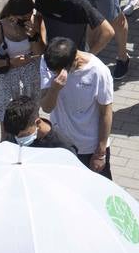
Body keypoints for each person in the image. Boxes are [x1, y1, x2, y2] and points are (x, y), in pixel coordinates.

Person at [39, 37, 114, 178]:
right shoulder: (47, 61)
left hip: (89, 148)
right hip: (60, 145)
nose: (54, 74)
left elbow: (106, 113)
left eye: (57, 71)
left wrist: (101, 153)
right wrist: (54, 89)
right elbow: (47, 108)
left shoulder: (99, 72)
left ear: (75, 61)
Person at [0, 0, 46, 131]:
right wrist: (9, 62)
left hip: (31, 78)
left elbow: (40, 52)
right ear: (13, 16)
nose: (28, 18)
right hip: (10, 79)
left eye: (30, 14)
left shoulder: (36, 20)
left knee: (32, 116)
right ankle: (6, 142)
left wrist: (33, 36)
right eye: (24, 17)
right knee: (7, 117)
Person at [0, 94, 76, 151]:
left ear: (38, 123)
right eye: (15, 136)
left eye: (24, 135)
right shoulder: (15, 129)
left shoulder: (63, 148)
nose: (18, 140)